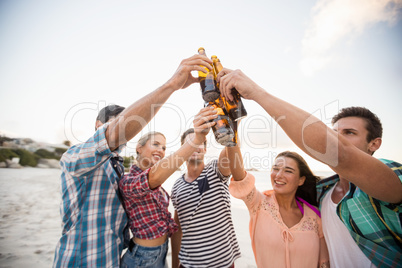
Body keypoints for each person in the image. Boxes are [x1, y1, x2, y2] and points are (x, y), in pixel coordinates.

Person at [217, 68, 402, 268]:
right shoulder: (322, 194)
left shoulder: (391, 178)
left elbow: (340, 153)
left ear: (374, 144)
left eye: (349, 133)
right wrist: (231, 131)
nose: (338, 138)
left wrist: (256, 93)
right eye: (334, 132)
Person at [53, 54, 215, 268]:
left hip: (116, 259)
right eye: (115, 123)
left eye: (163, 147)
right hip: (81, 260)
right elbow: (149, 175)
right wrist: (173, 87)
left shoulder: (117, 167)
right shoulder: (75, 157)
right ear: (98, 124)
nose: (125, 134)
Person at [118, 107, 217, 268]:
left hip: (161, 252)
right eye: (155, 144)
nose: (161, 150)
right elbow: (153, 177)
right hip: (141, 258)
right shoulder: (128, 181)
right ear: (139, 148)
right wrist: (195, 140)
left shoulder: (159, 183)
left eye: (164, 147)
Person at [228, 142, 329, 267]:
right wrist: (230, 141)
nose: (279, 175)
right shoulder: (258, 204)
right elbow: (241, 179)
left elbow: (324, 263)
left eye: (288, 171)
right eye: (275, 169)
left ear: (301, 180)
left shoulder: (314, 216)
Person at [170, 128, 241, 268]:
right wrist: (174, 265)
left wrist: (230, 126)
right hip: (188, 263)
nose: (195, 145)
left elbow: (228, 155)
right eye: (190, 142)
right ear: (182, 150)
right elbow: (178, 229)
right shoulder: (177, 186)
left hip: (223, 263)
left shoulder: (215, 170)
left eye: (200, 142)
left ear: (205, 149)